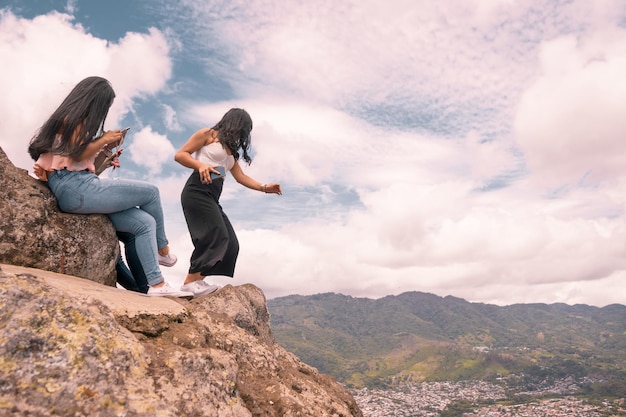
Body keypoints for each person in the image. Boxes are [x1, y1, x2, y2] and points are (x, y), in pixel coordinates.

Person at [28, 76, 191, 298]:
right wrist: (103, 140)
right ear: (95, 102)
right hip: (78, 188)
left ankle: (156, 285)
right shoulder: (72, 121)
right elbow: (76, 154)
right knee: (151, 192)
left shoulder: (69, 124)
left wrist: (105, 147)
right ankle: (163, 250)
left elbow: (74, 158)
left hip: (79, 188)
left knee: (144, 222)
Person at [174, 108, 282, 297]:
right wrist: (201, 165)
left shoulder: (231, 154)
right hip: (197, 190)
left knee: (231, 242)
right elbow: (181, 155)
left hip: (213, 196)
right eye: (243, 130)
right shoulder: (207, 134)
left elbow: (241, 177)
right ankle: (190, 282)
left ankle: (198, 280)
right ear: (234, 123)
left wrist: (265, 187)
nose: (243, 136)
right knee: (216, 234)